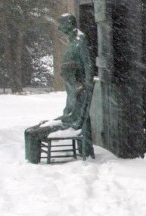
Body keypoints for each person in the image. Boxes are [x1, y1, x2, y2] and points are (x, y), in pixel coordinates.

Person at [24, 13, 94, 163]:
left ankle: (32, 163)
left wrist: (87, 84)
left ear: (69, 24)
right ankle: (30, 161)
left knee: (31, 134)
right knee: (30, 131)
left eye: (61, 24)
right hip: (73, 87)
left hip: (78, 87)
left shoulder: (80, 41)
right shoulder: (71, 42)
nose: (59, 28)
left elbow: (88, 63)